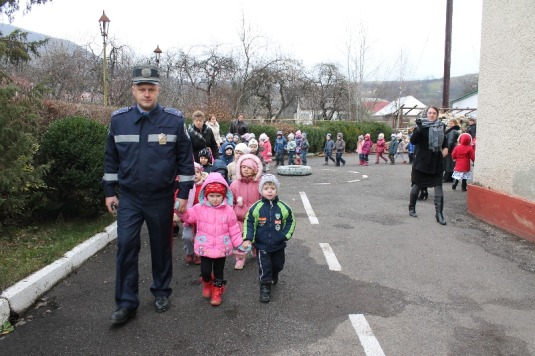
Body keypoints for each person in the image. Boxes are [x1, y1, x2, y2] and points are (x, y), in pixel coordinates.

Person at [103, 65, 195, 325]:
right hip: (130, 197)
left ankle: (162, 291)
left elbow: (185, 161)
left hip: (161, 197)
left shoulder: (174, 120)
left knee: (161, 247)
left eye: (151, 89)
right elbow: (111, 159)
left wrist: (185, 192)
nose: (146, 94)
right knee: (126, 247)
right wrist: (109, 191)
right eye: (141, 89)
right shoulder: (119, 120)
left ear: (158, 90)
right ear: (133, 90)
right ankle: (126, 304)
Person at [178, 173, 243, 306]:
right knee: (205, 271)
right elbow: (188, 216)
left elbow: (234, 230)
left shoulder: (228, 211)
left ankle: (217, 290)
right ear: (205, 195)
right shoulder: (199, 208)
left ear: (224, 196)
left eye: (218, 196)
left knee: (219, 271)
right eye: (211, 195)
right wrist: (180, 210)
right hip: (205, 247)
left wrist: (239, 244)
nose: (214, 199)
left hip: (222, 248)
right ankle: (207, 283)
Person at [241, 174, 296, 303]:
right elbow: (248, 222)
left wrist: (285, 235)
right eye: (266, 188)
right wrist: (248, 238)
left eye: (272, 188)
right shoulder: (256, 207)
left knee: (278, 265)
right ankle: (265, 287)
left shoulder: (284, 207)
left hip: (278, 244)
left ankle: (274, 274)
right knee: (264, 267)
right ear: (261, 191)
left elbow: (290, 221)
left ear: (276, 190)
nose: (269, 191)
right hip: (262, 245)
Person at [408, 106, 448, 225]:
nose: (431, 115)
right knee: (417, 185)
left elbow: (444, 141)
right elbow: (413, 141)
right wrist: (419, 129)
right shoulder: (421, 126)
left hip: (436, 161)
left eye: (434, 113)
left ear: (437, 115)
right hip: (422, 161)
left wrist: (446, 148)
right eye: (429, 113)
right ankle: (412, 207)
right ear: (426, 114)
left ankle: (439, 214)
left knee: (438, 187)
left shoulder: (441, 126)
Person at [230, 153, 263, 270]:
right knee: (240, 240)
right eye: (243, 167)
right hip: (239, 217)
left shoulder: (259, 184)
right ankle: (240, 259)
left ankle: (254, 247)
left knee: (256, 236)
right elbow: (231, 201)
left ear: (255, 170)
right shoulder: (234, 184)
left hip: (254, 217)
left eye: (249, 168)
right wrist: (234, 210)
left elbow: (262, 199)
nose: (246, 170)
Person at [178, 162, 207, 265]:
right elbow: (179, 200)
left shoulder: (205, 186)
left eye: (197, 172)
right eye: (191, 173)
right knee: (187, 237)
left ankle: (199, 253)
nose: (194, 175)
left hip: (202, 217)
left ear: (201, 173)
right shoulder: (184, 187)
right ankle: (189, 253)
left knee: (201, 237)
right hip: (188, 216)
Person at [443, 118, 460, 182]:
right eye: (449, 123)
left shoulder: (452, 131)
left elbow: (450, 141)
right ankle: (450, 177)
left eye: (451, 123)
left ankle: (446, 178)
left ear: (455, 124)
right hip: (453, 148)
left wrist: (448, 149)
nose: (450, 124)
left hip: (451, 149)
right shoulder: (455, 130)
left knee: (448, 163)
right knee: (451, 163)